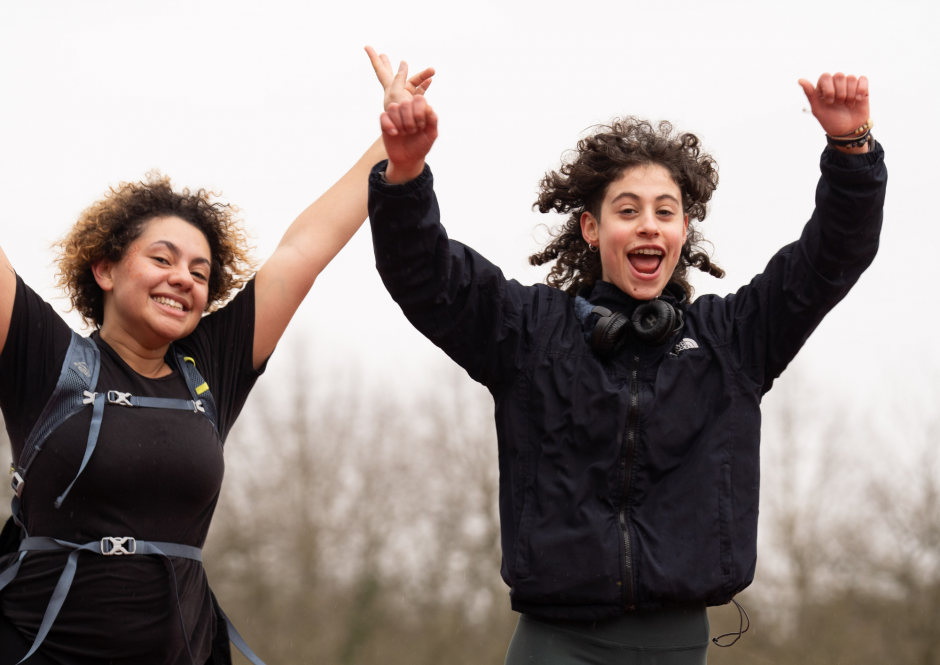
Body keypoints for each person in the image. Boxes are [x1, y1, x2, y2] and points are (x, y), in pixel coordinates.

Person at [365, 59, 886, 665]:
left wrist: (852, 148)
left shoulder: (736, 340)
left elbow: (830, 259)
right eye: (628, 210)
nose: (649, 226)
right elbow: (426, 276)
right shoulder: (528, 334)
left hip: (679, 643)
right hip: (555, 642)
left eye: (665, 212)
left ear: (684, 230)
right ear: (591, 227)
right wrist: (405, 172)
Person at [0, 61, 433, 665]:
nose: (183, 278)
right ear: (104, 269)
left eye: (200, 272)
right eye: (162, 259)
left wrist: (390, 151)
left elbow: (302, 251)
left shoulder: (210, 369)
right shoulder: (45, 359)